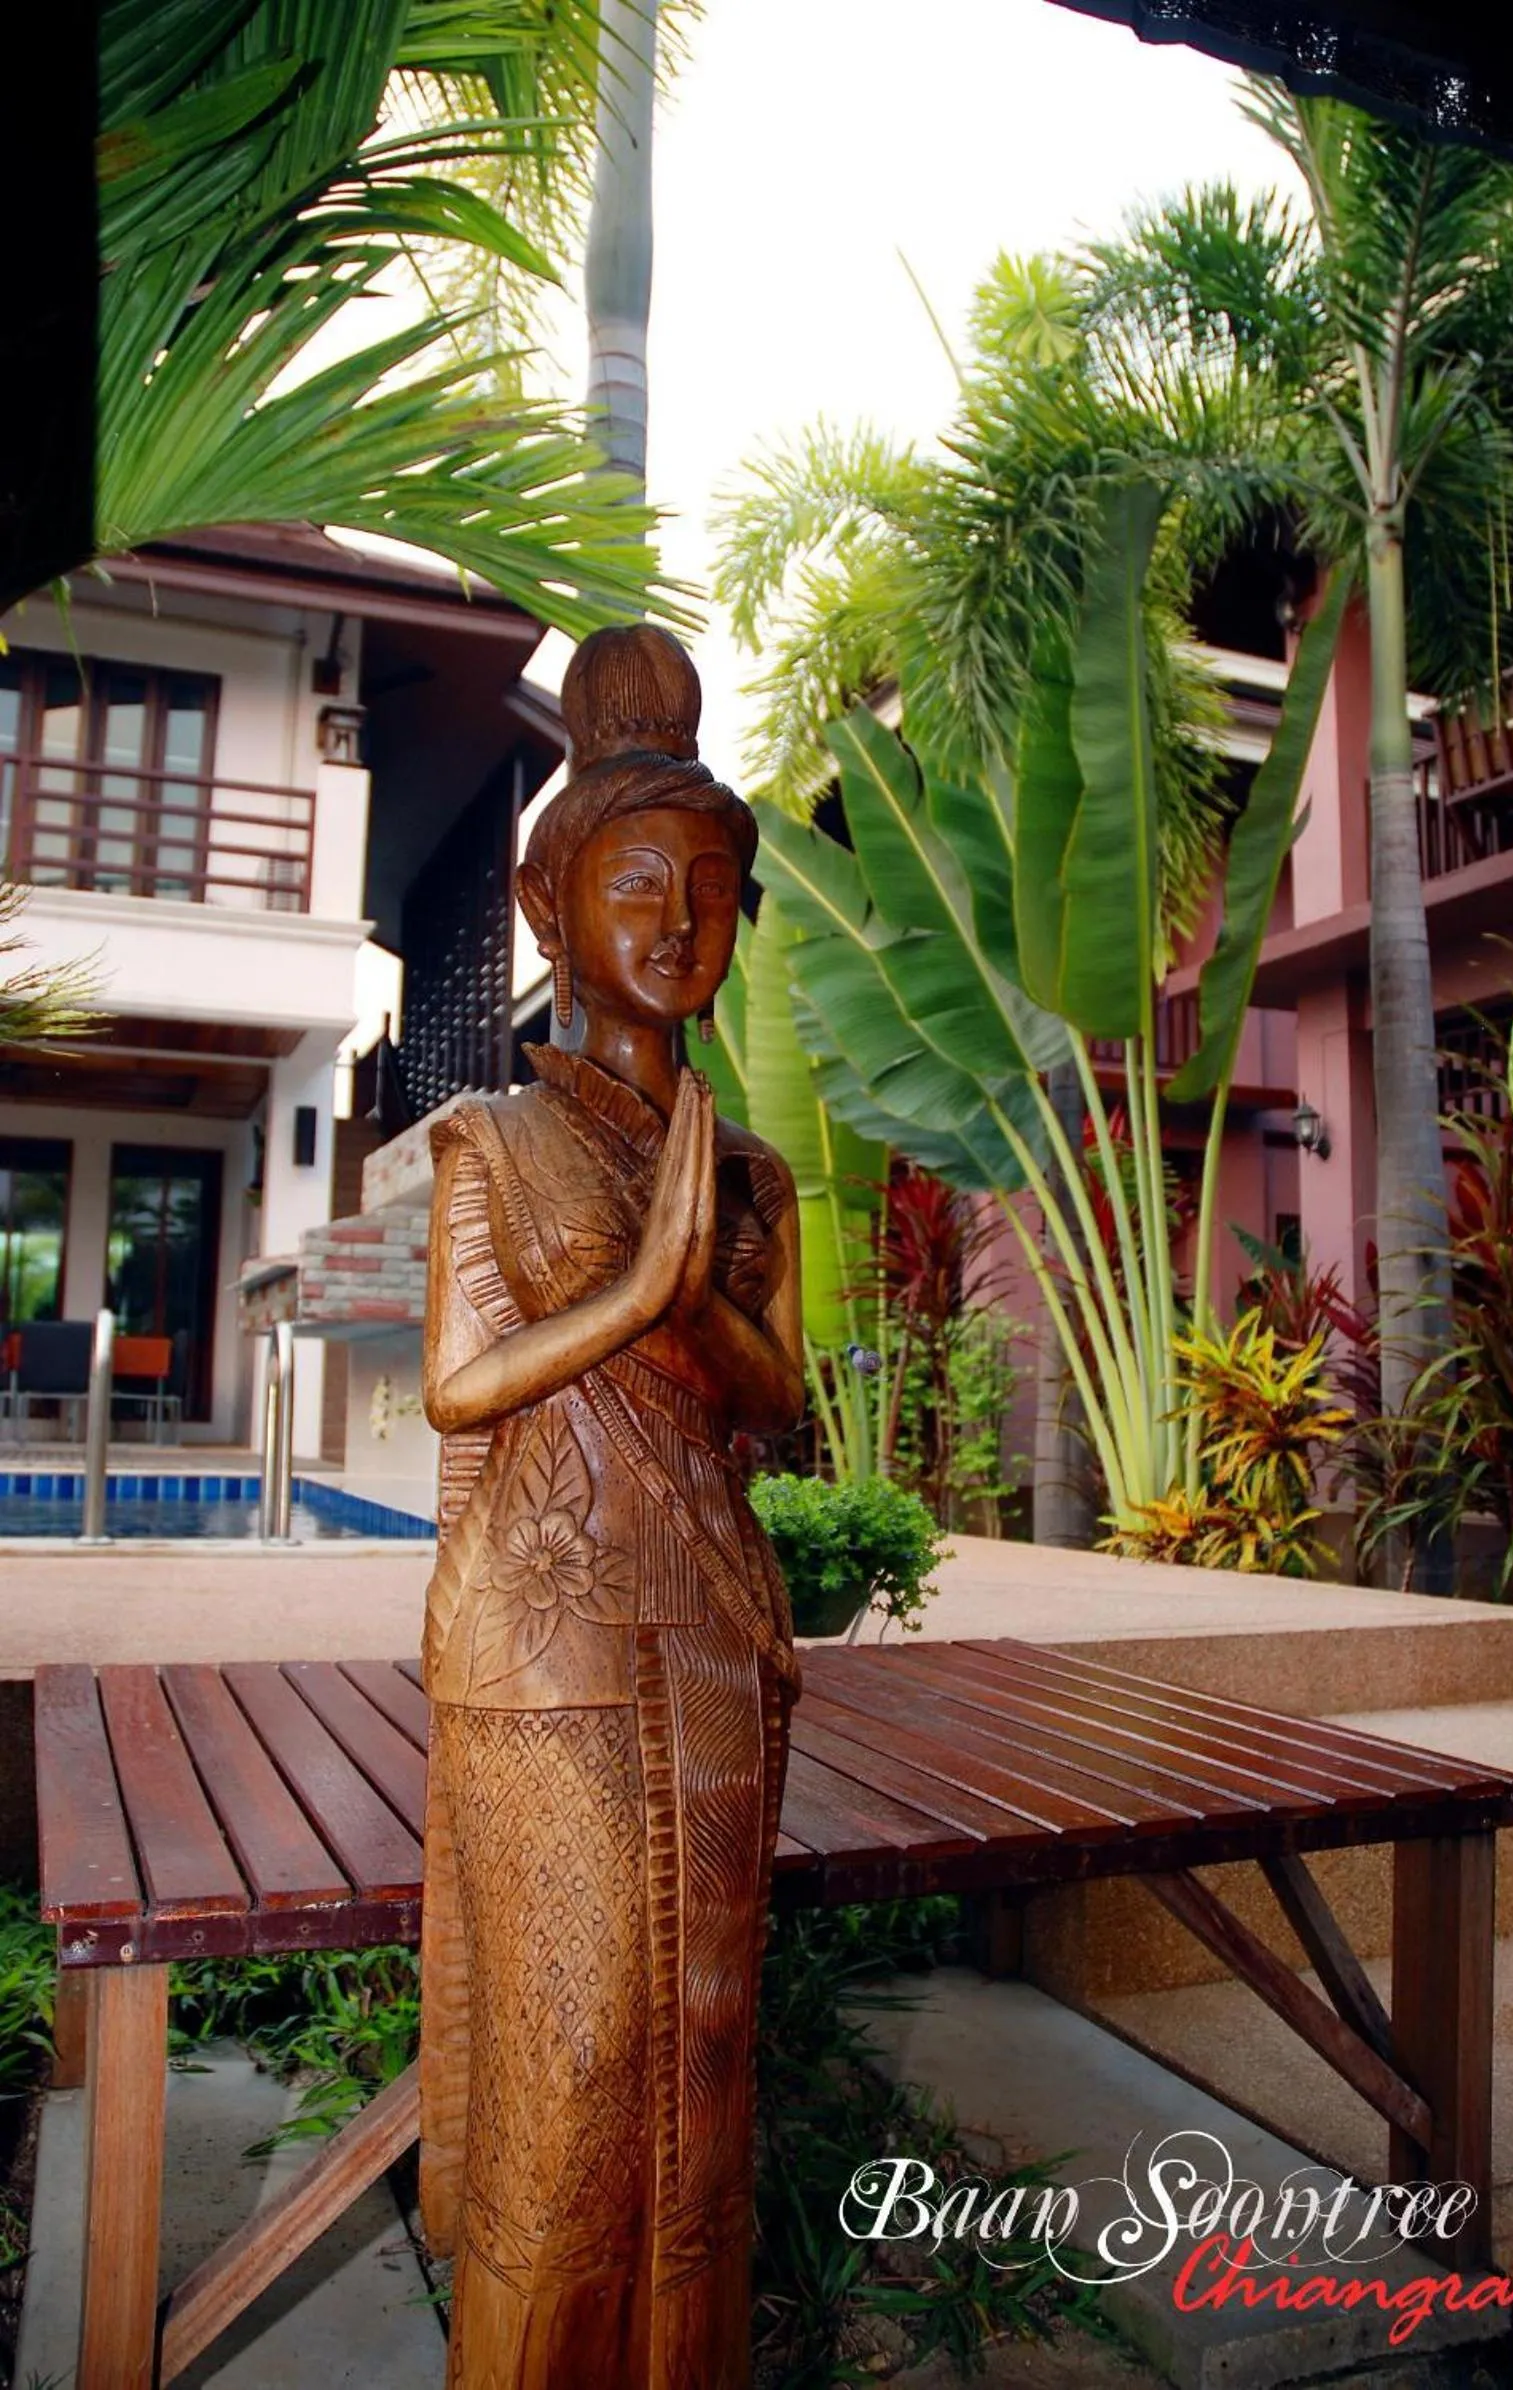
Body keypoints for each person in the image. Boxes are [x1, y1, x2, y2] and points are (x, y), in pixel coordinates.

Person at [420, 623, 804, 2389]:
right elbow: (459, 1384)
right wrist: (636, 1286)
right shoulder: (490, 1140)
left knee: (702, 2061)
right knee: (572, 2072)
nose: (677, 921)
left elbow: (780, 1402)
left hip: (717, 1625)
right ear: (546, 902)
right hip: (546, 1633)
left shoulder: (747, 1174)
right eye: (636, 882)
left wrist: (692, 1283)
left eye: (711, 890)